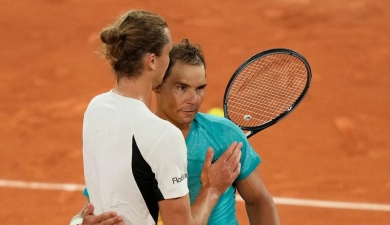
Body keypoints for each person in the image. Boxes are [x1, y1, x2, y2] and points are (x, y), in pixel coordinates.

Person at [76, 38, 280, 225]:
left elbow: (259, 200)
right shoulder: (134, 138)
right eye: (182, 88)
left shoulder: (224, 135)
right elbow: (91, 206)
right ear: (157, 86)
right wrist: (81, 222)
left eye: (200, 88)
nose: (194, 99)